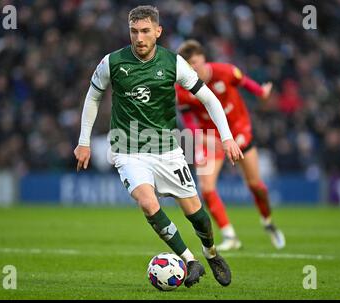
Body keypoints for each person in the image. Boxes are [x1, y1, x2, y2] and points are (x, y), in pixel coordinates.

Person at [74, 6, 245, 287]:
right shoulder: (112, 62)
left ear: (157, 31)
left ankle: (211, 253)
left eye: (144, 31)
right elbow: (93, 98)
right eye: (133, 31)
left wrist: (226, 137)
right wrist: (84, 142)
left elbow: (210, 99)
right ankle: (190, 260)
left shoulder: (174, 63)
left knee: (198, 216)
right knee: (147, 202)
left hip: (167, 149)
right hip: (127, 149)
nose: (139, 38)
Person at [175, 40, 285, 251]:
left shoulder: (226, 72)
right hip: (210, 137)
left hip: (238, 131)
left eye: (195, 62)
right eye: (188, 65)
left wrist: (262, 93)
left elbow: (247, 84)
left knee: (255, 185)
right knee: (206, 189)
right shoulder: (182, 89)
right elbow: (188, 121)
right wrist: (202, 138)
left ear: (204, 59)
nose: (192, 68)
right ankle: (230, 236)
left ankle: (267, 221)